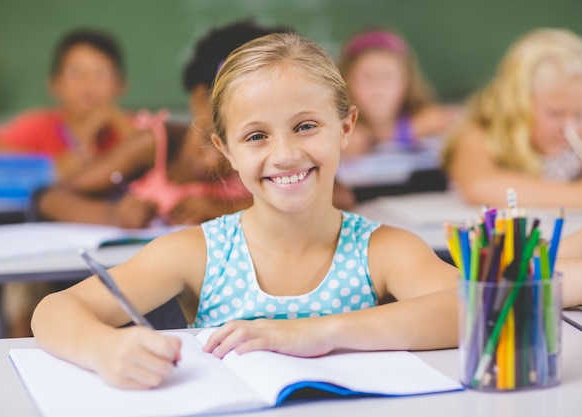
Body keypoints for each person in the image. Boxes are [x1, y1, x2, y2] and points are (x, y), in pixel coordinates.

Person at [31, 32, 458, 390]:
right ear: (225, 149)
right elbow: (54, 310)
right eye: (256, 136)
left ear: (345, 127)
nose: (286, 154)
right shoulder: (199, 251)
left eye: (306, 126)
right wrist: (104, 349)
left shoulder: (381, 249)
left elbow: (481, 308)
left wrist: (320, 333)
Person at [35, 21, 290, 228]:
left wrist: (228, 210)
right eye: (244, 105)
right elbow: (50, 198)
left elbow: (328, 196)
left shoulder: (264, 154)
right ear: (200, 99)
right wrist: (112, 214)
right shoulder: (156, 144)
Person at [0, 28, 133, 179]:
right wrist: (54, 165)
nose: (88, 83)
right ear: (55, 84)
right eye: (75, 72)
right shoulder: (40, 126)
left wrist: (118, 123)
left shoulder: (130, 126)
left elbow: (156, 155)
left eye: (100, 73)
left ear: (120, 86)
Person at [442, 28, 582, 208]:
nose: (570, 127)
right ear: (517, 103)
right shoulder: (482, 132)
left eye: (580, 114)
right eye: (556, 113)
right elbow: (478, 186)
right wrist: (576, 195)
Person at [338, 28, 459, 158]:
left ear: (406, 82)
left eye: (388, 76)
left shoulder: (428, 118)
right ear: (346, 81)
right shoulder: (337, 130)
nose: (378, 87)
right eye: (367, 77)